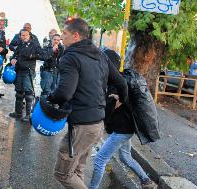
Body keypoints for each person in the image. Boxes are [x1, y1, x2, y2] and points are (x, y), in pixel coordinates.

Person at [47, 18, 128, 188]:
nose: (61, 36)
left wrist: (50, 98)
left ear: (75, 36)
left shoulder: (70, 57)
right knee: (77, 170)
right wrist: (120, 104)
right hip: (97, 124)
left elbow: (64, 93)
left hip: (82, 127)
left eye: (64, 33)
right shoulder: (100, 54)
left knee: (63, 173)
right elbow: (121, 83)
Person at [88, 48, 157, 189]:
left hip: (122, 131)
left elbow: (106, 112)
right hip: (126, 128)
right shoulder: (119, 79)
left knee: (100, 160)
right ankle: (146, 181)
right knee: (125, 157)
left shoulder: (116, 84)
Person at [9, 29, 50, 121]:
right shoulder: (20, 45)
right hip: (19, 71)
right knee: (19, 93)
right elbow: (14, 55)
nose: (24, 37)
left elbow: (45, 56)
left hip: (28, 72)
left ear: (29, 36)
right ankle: (18, 112)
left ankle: (28, 115)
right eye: (22, 35)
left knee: (28, 94)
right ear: (20, 36)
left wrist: (33, 56)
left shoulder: (34, 45)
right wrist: (12, 59)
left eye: (26, 35)